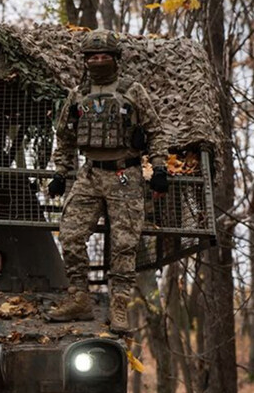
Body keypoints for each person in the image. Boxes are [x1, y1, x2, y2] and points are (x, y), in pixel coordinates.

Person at [46, 30, 168, 333]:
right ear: (85, 60)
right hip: (90, 174)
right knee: (71, 235)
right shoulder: (78, 95)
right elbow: (64, 137)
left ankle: (119, 306)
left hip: (124, 175)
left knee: (125, 244)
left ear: (116, 59)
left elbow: (155, 131)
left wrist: (160, 168)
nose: (98, 61)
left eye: (104, 56)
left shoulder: (133, 91)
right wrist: (61, 172)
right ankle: (80, 298)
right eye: (93, 56)